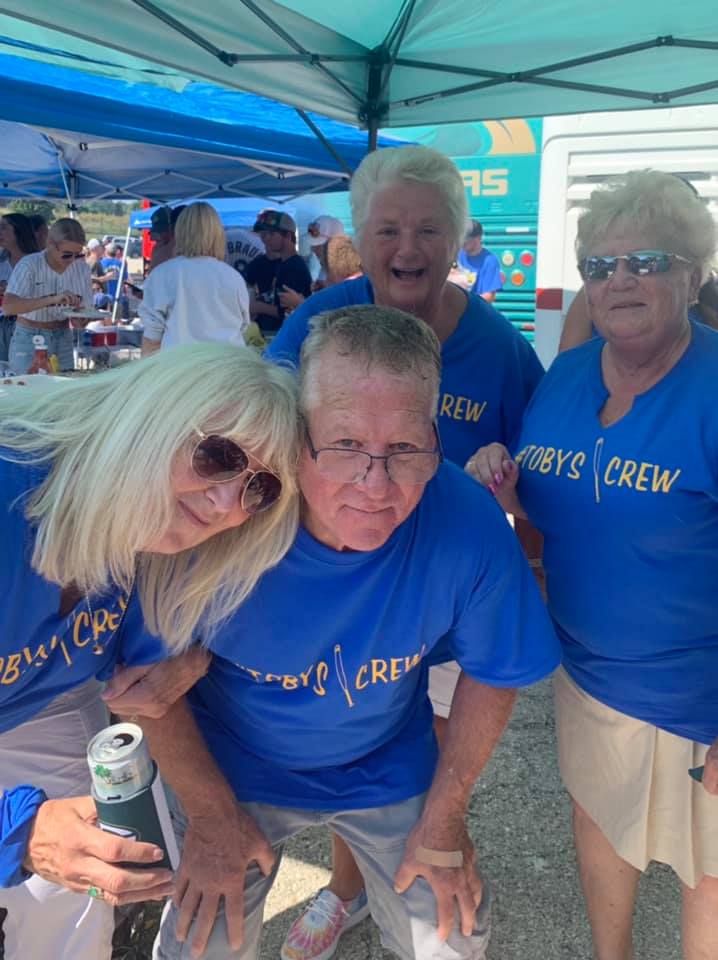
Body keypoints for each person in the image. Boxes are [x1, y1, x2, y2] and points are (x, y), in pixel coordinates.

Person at [142, 304, 560, 960]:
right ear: (297, 437)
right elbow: (143, 687)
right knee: (201, 945)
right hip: (235, 761)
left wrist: (446, 814)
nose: (375, 485)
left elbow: (495, 669)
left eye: (405, 449)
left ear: (436, 441)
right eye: (343, 446)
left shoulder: (466, 523)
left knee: (451, 937)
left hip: (385, 761)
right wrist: (207, 812)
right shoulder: (222, 517)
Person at [261, 144, 544, 960]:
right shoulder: (320, 322)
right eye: (388, 229)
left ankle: (435, 849)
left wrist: (504, 482)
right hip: (348, 590)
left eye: (428, 230)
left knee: (438, 755)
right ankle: (347, 887)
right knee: (357, 735)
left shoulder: (499, 347)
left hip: (449, 594)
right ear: (360, 235)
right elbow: (265, 430)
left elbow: (539, 474)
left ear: (458, 240)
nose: (408, 248)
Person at [470, 170, 718, 960]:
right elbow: (555, 507)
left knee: (710, 874)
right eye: (601, 266)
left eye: (647, 261)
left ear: (693, 275)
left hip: (698, 694)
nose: (620, 281)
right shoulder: (571, 374)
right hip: (586, 674)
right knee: (600, 823)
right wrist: (505, 483)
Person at [0, 342, 300, 960]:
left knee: (79, 890)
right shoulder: (10, 499)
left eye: (259, 489)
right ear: (150, 414)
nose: (226, 504)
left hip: (35, 704)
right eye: (219, 456)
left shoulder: (155, 546)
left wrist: (215, 820)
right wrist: (17, 831)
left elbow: (147, 686)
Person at [140, 203, 250, 354]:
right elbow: (242, 327)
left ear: (179, 232)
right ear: (217, 234)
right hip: (227, 364)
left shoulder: (162, 275)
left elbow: (152, 339)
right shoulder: (234, 278)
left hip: (179, 365)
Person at [3, 217, 92, 373]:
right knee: (28, 386)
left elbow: (84, 310)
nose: (72, 260)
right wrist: (51, 299)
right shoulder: (29, 264)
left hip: (63, 336)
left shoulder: (82, 269)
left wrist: (81, 319)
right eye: (66, 254)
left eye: (78, 255)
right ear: (50, 243)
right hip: (29, 337)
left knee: (64, 385)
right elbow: (9, 307)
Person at [244, 209, 312, 334]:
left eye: (270, 234)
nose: (265, 239)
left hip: (284, 334)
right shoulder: (284, 263)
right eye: (263, 235)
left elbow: (287, 312)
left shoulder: (294, 267)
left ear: (288, 236)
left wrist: (259, 307)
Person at [0, 213, 40, 363]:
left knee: (26, 369)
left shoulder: (38, 262)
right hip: (2, 325)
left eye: (3, 227)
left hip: (29, 326)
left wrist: (14, 291)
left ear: (19, 231)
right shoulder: (1, 262)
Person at [456, 220, 502, 303]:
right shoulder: (455, 256)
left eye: (467, 238)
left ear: (479, 238)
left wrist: (465, 303)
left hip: (475, 308)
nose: (463, 242)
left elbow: (489, 296)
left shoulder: (490, 261)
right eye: (461, 238)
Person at [148, 205, 186, 273]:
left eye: (163, 231)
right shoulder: (158, 251)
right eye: (158, 233)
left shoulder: (182, 251)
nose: (160, 236)